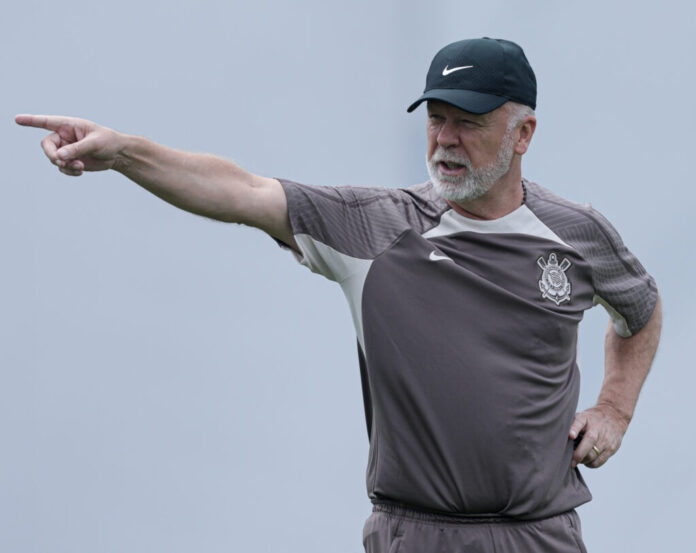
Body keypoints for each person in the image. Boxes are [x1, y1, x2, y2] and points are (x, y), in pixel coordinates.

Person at [16, 37, 661, 553]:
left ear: (523, 134)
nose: (444, 140)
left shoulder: (577, 233)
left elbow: (640, 310)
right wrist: (125, 152)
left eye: (467, 123)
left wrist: (615, 408)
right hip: (414, 535)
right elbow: (243, 191)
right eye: (436, 120)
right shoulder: (375, 225)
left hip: (539, 534)